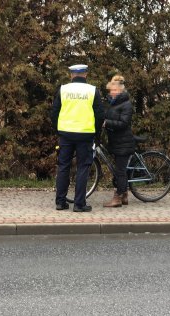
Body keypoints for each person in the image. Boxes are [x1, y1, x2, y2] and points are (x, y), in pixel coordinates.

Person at [51, 64, 104, 211]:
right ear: (85, 74)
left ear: (71, 75)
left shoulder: (63, 89)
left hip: (65, 134)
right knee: (83, 167)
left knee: (63, 166)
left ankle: (60, 202)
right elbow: (100, 116)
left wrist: (58, 130)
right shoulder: (93, 91)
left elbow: (54, 113)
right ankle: (79, 204)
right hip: (85, 135)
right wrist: (96, 134)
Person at [103, 75, 135, 207]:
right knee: (120, 170)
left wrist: (106, 123)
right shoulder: (113, 103)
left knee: (120, 171)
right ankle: (125, 196)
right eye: (110, 90)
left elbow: (123, 123)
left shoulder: (126, 104)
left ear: (120, 90)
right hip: (116, 141)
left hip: (123, 142)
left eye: (114, 90)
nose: (111, 92)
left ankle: (118, 198)